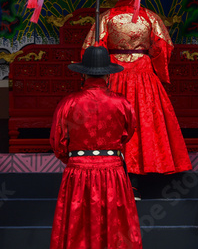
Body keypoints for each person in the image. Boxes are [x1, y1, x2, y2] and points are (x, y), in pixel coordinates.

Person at [82, 0, 192, 176]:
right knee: (145, 120)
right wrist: (154, 64)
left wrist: (101, 71)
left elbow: (90, 48)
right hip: (144, 74)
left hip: (112, 73)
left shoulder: (105, 18)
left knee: (112, 119)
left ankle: (114, 171)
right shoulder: (151, 17)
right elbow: (164, 47)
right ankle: (146, 170)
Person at [50, 46, 142, 249]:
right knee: (116, 226)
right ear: (108, 76)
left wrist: (76, 158)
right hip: (113, 171)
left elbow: (58, 142)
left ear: (83, 74)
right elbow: (128, 132)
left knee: (77, 226)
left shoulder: (69, 103)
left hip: (79, 172)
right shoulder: (122, 103)